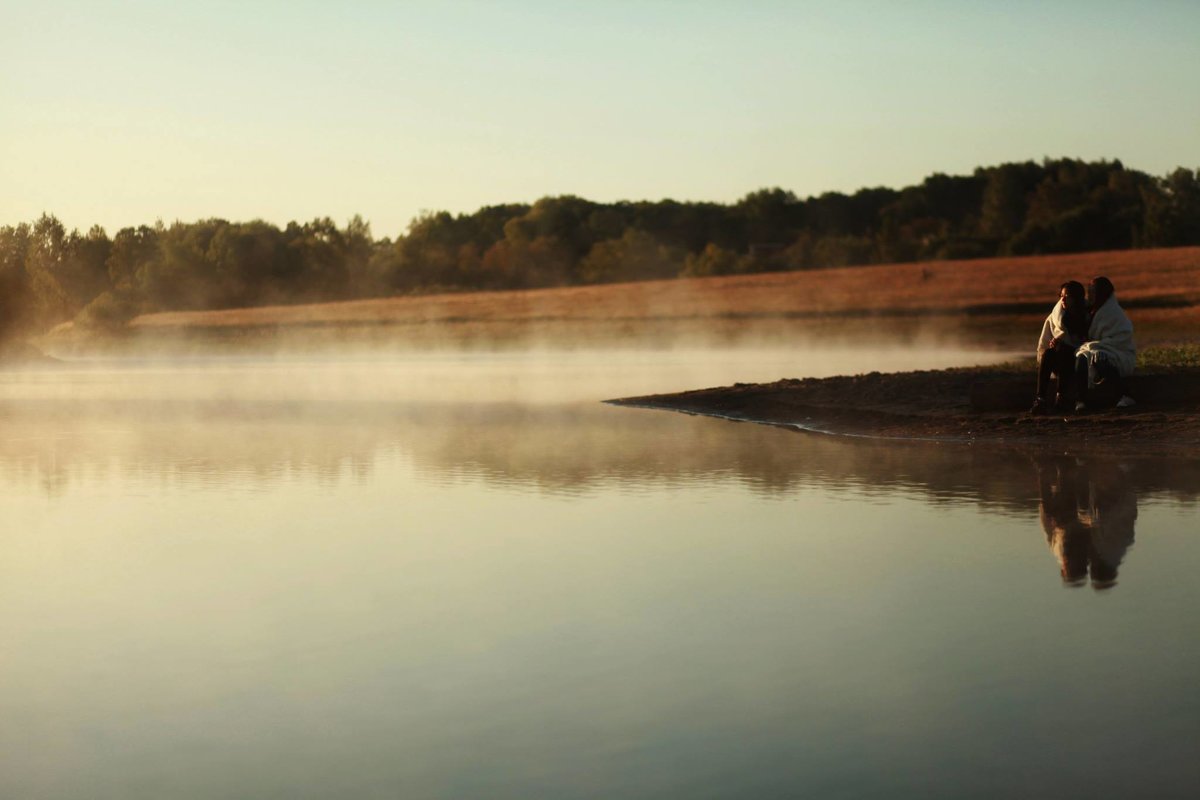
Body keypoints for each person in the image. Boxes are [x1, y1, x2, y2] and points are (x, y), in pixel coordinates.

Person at [1074, 276, 1136, 412]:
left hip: (1118, 353)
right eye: (1088, 292)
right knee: (1081, 358)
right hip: (1097, 349)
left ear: (1102, 294)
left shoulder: (1114, 313)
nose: (1089, 295)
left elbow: (1122, 337)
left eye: (1092, 292)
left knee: (1100, 357)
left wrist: (1097, 347)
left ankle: (1125, 395)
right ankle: (1081, 400)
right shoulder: (1090, 312)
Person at [1030, 281, 1088, 414]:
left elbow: (1089, 341)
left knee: (1064, 350)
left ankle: (1061, 397)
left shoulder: (1087, 315)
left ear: (1076, 297)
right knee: (1049, 354)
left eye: (1067, 296)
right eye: (1061, 295)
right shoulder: (1056, 317)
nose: (1063, 299)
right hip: (1060, 357)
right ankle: (1040, 399)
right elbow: (1046, 340)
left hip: (1079, 360)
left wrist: (1063, 342)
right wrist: (1056, 342)